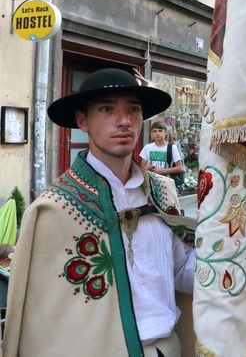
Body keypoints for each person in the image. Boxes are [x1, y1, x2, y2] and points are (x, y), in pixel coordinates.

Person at [4, 68, 196, 356]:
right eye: (107, 109)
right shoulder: (56, 208)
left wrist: (233, 254)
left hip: (169, 347)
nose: (124, 121)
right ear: (83, 121)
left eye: (133, 109)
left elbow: (182, 271)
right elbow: (43, 317)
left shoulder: (163, 192)